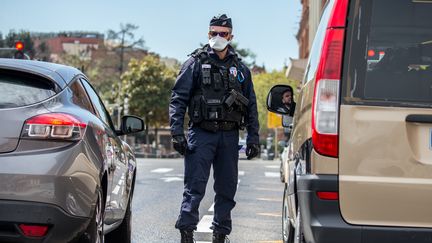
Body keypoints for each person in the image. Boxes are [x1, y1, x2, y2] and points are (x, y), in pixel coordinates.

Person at [169, 14, 260, 243]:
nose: (218, 37)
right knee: (195, 185)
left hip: (229, 135)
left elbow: (251, 105)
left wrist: (253, 138)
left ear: (231, 37)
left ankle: (220, 234)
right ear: (208, 34)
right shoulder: (195, 63)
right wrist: (177, 133)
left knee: (227, 188)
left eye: (223, 34)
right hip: (201, 134)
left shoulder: (240, 69)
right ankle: (187, 232)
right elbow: (178, 99)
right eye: (213, 33)